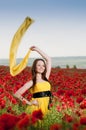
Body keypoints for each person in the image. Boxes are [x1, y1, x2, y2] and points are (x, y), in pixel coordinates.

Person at [14, 46, 52, 115]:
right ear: (34, 67)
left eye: (43, 66)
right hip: (36, 109)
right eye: (39, 65)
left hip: (46, 107)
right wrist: (29, 103)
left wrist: (37, 49)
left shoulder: (46, 77)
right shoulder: (32, 82)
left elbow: (48, 59)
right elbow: (17, 94)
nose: (42, 67)